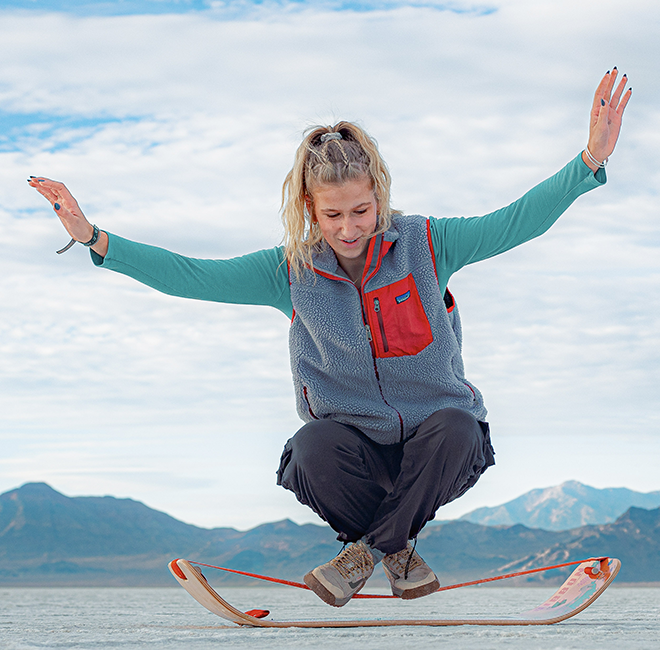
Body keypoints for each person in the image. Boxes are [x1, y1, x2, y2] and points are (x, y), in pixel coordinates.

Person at [30, 69, 631, 608]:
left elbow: (514, 221)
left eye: (363, 212)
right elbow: (193, 276)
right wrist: (94, 238)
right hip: (352, 460)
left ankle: (362, 555)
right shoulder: (287, 271)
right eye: (332, 215)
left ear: (380, 199)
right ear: (309, 210)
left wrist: (586, 163)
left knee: (454, 423)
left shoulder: (429, 244)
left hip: (437, 452)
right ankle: (396, 552)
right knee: (311, 443)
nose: (349, 228)